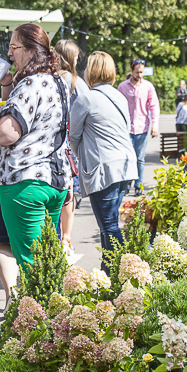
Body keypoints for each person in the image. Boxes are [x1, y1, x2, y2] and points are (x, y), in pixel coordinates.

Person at [0, 22, 70, 273]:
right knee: (47, 260)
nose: (10, 54)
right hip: (53, 181)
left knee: (33, 266)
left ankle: (37, 312)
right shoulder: (56, 81)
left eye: (14, 47)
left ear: (31, 50)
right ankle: (52, 310)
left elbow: (5, 133)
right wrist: (6, 85)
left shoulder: (31, 84)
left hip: (25, 182)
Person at [69, 51, 138, 264]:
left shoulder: (86, 98)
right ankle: (108, 272)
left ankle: (126, 270)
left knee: (108, 225)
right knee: (109, 224)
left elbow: (73, 136)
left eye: (88, 66)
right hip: (125, 166)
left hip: (103, 169)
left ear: (94, 70)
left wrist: (82, 156)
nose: (85, 70)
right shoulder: (119, 96)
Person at [53, 39, 88, 255]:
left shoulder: (50, 78)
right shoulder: (73, 80)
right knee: (68, 192)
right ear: (70, 57)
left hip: (52, 141)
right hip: (68, 143)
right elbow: (86, 105)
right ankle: (66, 239)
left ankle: (59, 238)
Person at [117, 58, 159, 195]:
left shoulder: (148, 86)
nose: (139, 75)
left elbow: (154, 106)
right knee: (127, 157)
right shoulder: (122, 87)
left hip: (142, 127)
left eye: (141, 72)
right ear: (131, 70)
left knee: (140, 158)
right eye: (137, 72)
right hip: (126, 128)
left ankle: (138, 185)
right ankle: (127, 182)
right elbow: (117, 106)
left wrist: (155, 125)